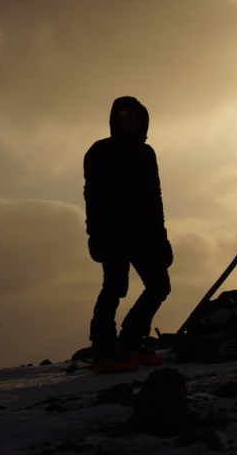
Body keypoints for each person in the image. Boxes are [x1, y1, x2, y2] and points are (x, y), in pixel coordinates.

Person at [83, 96, 173, 374]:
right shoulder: (99, 151)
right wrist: (95, 234)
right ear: (114, 120)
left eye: (131, 116)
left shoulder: (147, 154)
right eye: (121, 116)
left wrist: (162, 236)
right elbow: (92, 197)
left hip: (144, 233)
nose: (126, 120)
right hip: (112, 235)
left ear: (140, 120)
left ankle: (131, 340)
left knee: (159, 285)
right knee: (115, 287)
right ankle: (103, 348)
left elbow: (155, 197)